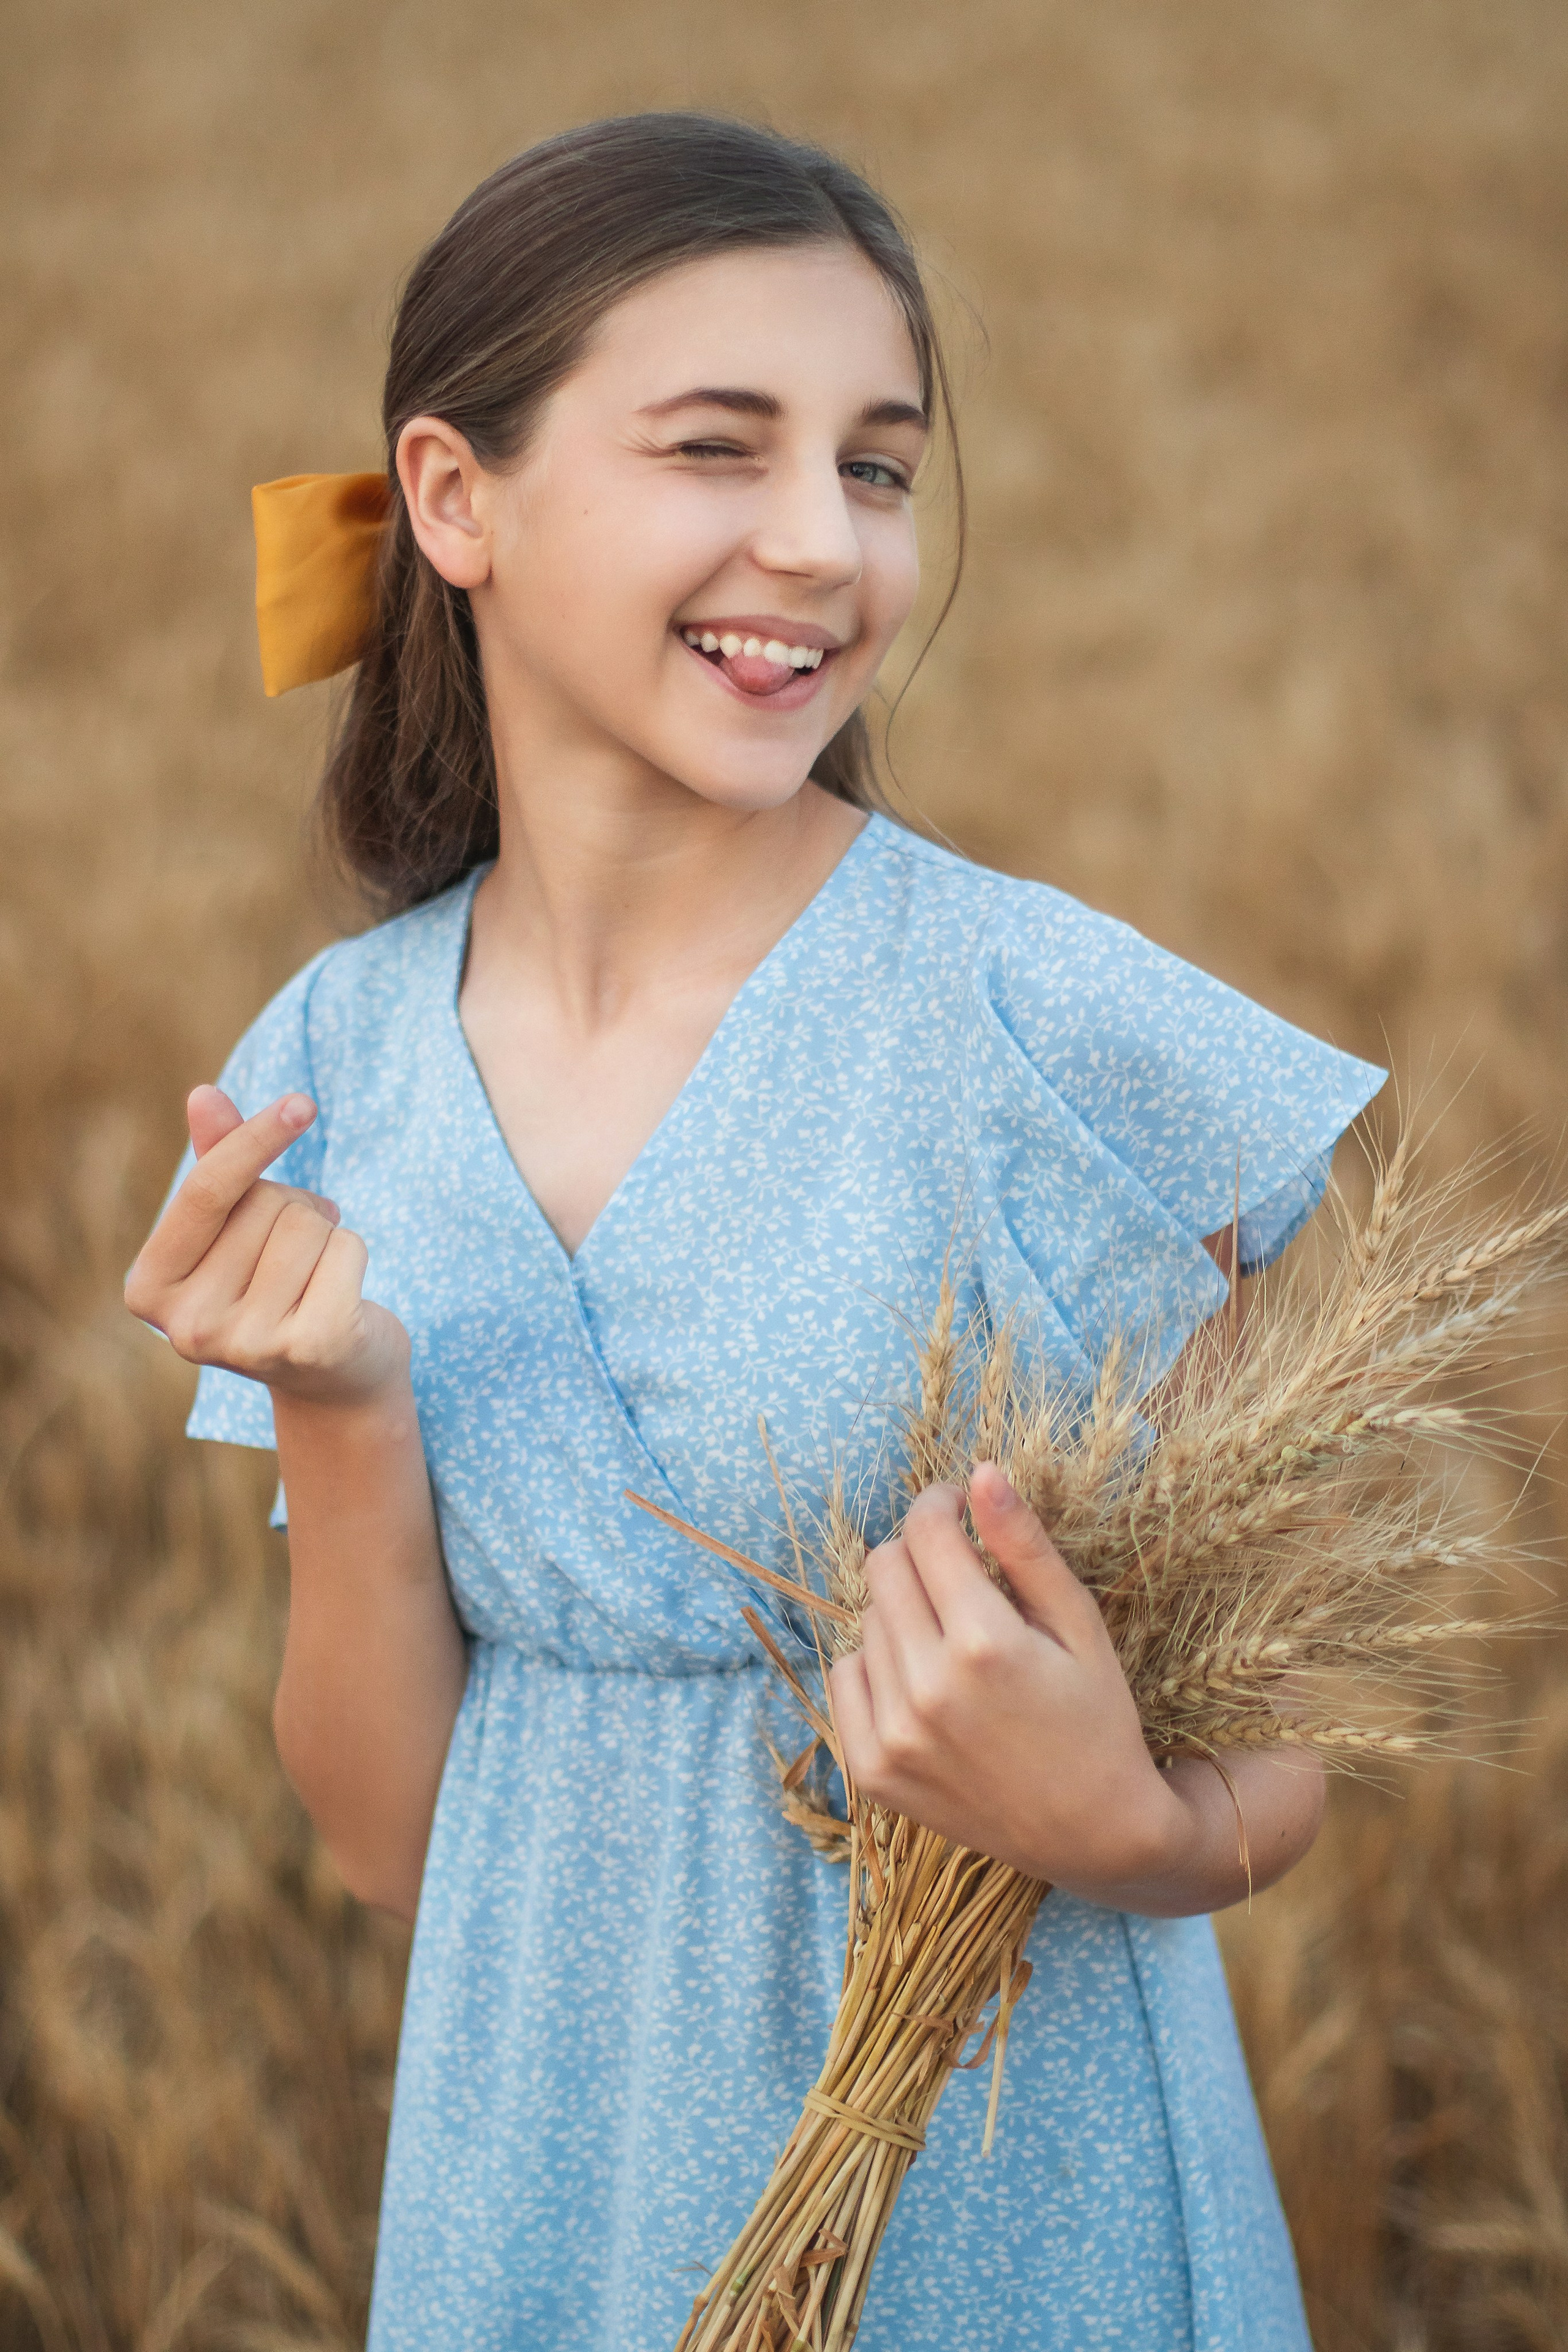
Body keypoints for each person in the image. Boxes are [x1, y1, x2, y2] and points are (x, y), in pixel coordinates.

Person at [126, 113, 1382, 2351]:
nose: (821, 542)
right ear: (451, 498)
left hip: (1008, 2191)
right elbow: (400, 1849)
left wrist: (1143, 1830)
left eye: (879, 468)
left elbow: (1290, 1702)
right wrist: (339, 1406)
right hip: (548, 2191)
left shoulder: (1037, 1024)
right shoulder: (343, 1059)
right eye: (722, 448)